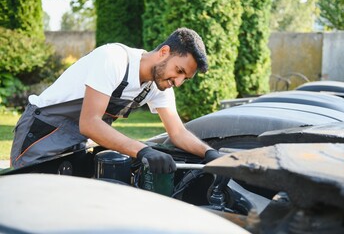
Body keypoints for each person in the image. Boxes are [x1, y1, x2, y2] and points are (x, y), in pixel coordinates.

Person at [10, 27, 221, 173]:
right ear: (164, 52)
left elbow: (178, 132)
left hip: (75, 142)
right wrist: (142, 151)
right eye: (179, 70)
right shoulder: (114, 59)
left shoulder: (158, 85)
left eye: (186, 78)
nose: (179, 81)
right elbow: (90, 123)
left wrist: (210, 153)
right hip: (41, 134)